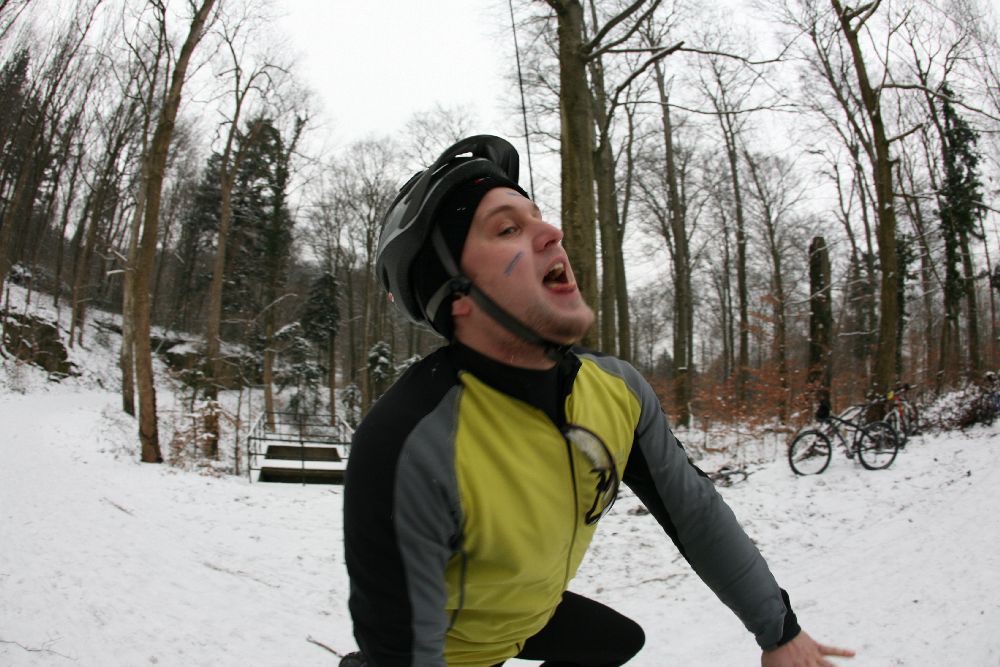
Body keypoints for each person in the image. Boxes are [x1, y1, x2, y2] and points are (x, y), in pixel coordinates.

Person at [342, 135, 854, 666]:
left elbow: (695, 512)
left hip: (527, 617)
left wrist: (780, 631)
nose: (553, 233)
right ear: (457, 297)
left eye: (538, 217)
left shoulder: (616, 391)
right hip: (446, 650)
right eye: (507, 229)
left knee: (615, 641)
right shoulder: (410, 442)